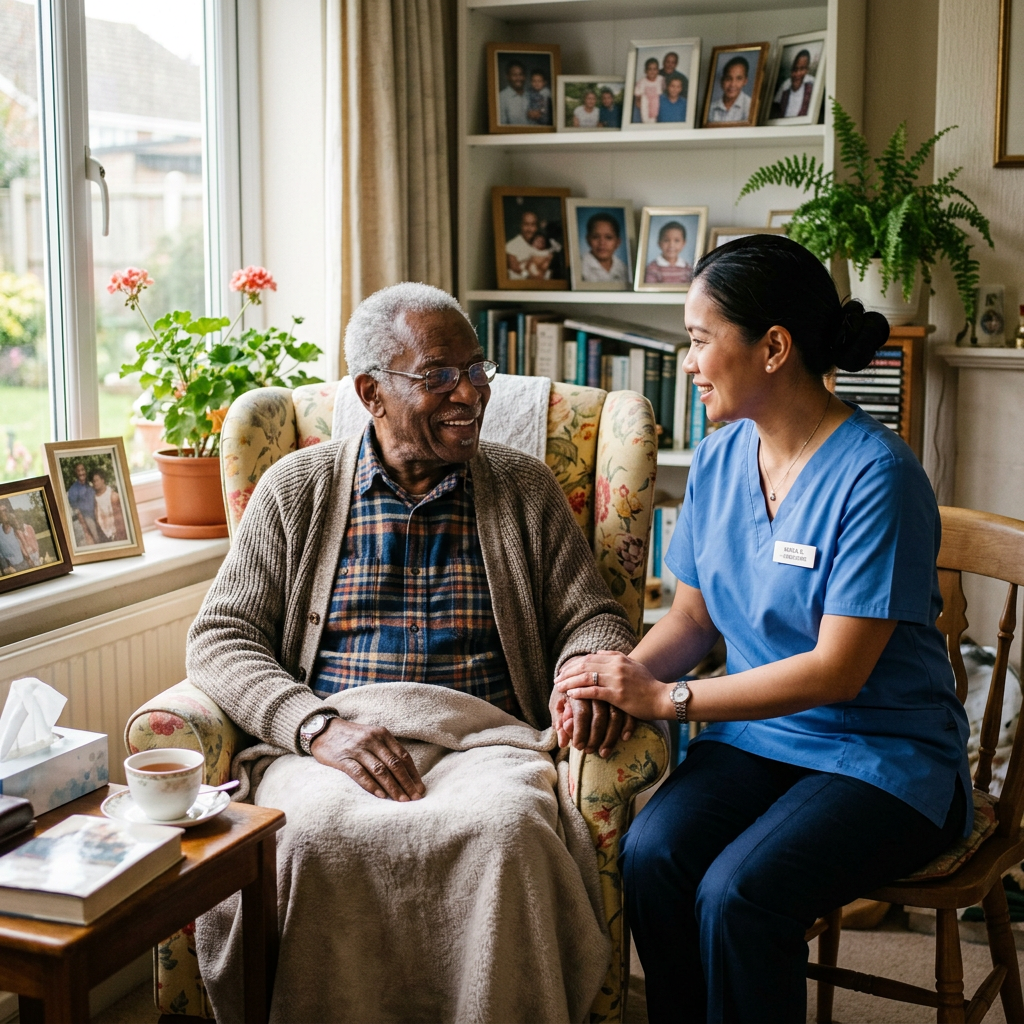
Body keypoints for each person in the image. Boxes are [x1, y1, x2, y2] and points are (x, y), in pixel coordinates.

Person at [187, 283, 638, 1022]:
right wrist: (314, 727)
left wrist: (584, 675)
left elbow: (592, 616)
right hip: (330, 737)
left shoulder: (524, 487)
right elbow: (220, 636)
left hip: (484, 738)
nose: (470, 393)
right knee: (310, 838)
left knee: (509, 833)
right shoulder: (294, 490)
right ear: (371, 391)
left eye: (476, 370)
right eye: (439, 376)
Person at [554, 234, 971, 1024]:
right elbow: (691, 615)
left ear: (773, 347)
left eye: (700, 339)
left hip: (883, 755)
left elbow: (835, 675)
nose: (688, 362)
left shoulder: (879, 477)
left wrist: (667, 698)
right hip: (760, 739)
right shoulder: (717, 459)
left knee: (739, 895)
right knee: (653, 857)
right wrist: (616, 683)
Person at [505, 209, 559, 280]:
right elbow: (515, 268)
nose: (529, 229)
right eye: (526, 224)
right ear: (520, 225)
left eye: (533, 225)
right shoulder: (511, 245)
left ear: (537, 227)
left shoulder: (541, 243)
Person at [579, 212, 628, 284]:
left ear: (618, 242)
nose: (602, 243)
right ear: (588, 239)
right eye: (595, 237)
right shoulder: (579, 267)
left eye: (608, 237)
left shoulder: (624, 269)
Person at [644, 220, 693, 285]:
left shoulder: (687, 269)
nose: (671, 245)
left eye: (677, 240)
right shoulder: (652, 268)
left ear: (683, 243)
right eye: (666, 240)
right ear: (659, 243)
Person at [707, 54, 752, 123]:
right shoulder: (711, 108)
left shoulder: (750, 106)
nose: (733, 84)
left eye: (739, 79)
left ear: (745, 81)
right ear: (722, 81)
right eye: (728, 79)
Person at [770, 48, 815, 119]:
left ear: (807, 70)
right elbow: (775, 108)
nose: (798, 74)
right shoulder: (785, 85)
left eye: (802, 69)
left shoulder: (812, 84)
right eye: (795, 69)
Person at [66, 462, 101, 544]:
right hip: (88, 518)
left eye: (82, 470)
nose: (81, 473)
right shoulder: (73, 490)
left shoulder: (90, 483)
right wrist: (85, 528)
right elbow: (77, 511)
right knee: (97, 539)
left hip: (98, 514)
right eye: (78, 471)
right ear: (76, 473)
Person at [90, 468, 128, 543]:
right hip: (106, 535)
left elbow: (119, 519)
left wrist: (119, 535)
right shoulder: (94, 498)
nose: (95, 483)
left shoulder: (113, 496)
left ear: (102, 480)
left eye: (97, 480)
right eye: (93, 481)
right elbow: (98, 518)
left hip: (117, 534)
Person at [498, 60, 530, 126]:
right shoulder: (501, 97)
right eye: (514, 75)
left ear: (524, 76)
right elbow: (501, 127)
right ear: (508, 77)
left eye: (521, 74)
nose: (518, 78)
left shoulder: (530, 95)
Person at [633, 56, 663, 124]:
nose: (652, 71)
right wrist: (638, 101)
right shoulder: (642, 82)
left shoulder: (661, 80)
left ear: (658, 70)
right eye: (650, 69)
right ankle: (646, 123)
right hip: (646, 104)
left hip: (658, 103)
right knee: (644, 101)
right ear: (645, 71)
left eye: (655, 69)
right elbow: (637, 94)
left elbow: (664, 92)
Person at [0, 500, 28, 574]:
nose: (4, 514)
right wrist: (6, 568)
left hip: (23, 565)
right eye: (1, 512)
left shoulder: (16, 529)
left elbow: (27, 548)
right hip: (9, 569)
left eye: (5, 511)